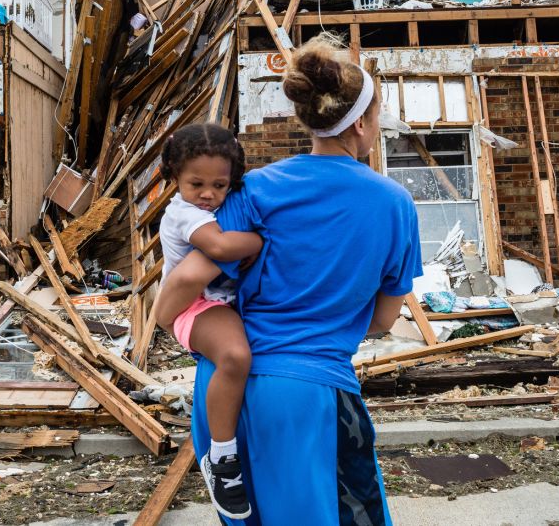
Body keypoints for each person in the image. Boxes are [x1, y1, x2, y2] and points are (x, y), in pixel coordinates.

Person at [154, 34, 422, 525]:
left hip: (226, 392)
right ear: (361, 122)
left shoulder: (254, 189)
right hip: (312, 393)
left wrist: (167, 319)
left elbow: (189, 274)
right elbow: (385, 320)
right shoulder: (394, 204)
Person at [153, 123, 261, 519]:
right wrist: (258, 241)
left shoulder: (223, 204)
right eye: (196, 183)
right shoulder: (184, 213)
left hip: (219, 302)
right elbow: (217, 246)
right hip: (193, 307)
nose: (208, 194)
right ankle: (222, 458)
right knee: (235, 356)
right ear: (174, 177)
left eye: (219, 185)